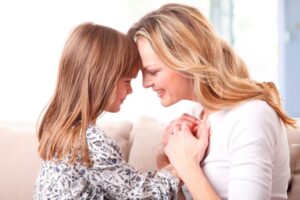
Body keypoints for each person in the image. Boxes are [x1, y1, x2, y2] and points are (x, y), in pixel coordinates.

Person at [128, 3, 296, 200]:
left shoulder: (251, 115)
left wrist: (187, 166)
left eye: (153, 71)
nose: (146, 83)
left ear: (186, 59)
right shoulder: (194, 113)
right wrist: (164, 163)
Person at [33, 22, 181, 200]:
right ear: (101, 79)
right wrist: (185, 165)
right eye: (126, 81)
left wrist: (169, 169)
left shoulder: (63, 132)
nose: (131, 90)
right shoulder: (90, 142)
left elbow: (133, 185)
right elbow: (143, 195)